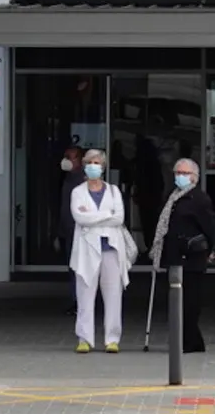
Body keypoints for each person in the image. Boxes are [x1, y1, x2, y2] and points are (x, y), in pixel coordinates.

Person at [68, 148, 136, 353]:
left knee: (113, 295)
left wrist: (93, 217)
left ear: (103, 167)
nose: (93, 166)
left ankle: (112, 339)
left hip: (111, 249)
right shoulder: (77, 192)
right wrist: (106, 214)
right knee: (85, 295)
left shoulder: (114, 191)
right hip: (87, 250)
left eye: (97, 163)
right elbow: (79, 218)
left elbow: (119, 218)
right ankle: (84, 339)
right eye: (89, 162)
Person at [151, 157, 215, 354]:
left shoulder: (199, 199)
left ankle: (190, 342)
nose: (180, 177)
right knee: (176, 301)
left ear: (195, 177)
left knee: (190, 302)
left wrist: (212, 249)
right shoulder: (172, 197)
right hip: (173, 256)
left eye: (185, 173)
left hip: (192, 257)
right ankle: (191, 341)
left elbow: (211, 227)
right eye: (177, 173)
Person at [57, 145, 85, 313]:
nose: (67, 160)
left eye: (71, 157)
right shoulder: (67, 179)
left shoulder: (82, 180)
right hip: (69, 230)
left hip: (80, 231)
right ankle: (76, 300)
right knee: (73, 268)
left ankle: (80, 302)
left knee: (79, 268)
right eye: (66, 156)